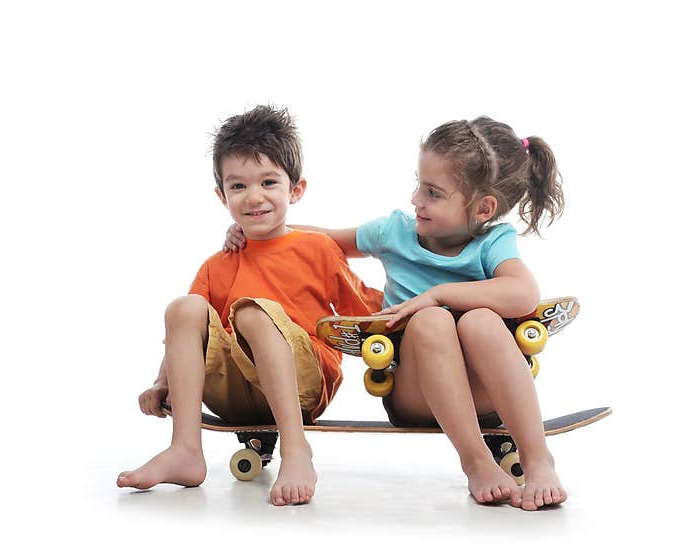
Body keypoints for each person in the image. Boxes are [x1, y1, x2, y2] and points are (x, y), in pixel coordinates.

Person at [225, 117, 566, 510]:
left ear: (483, 208)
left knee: (481, 320)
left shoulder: (494, 241)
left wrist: (438, 294)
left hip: (483, 394)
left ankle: (540, 461)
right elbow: (319, 240)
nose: (416, 199)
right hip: (414, 390)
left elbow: (524, 293)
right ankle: (477, 462)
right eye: (419, 184)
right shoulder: (395, 232)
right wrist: (256, 231)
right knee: (430, 321)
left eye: (433, 192)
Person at [118, 105, 383, 506]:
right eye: (238, 186)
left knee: (252, 311)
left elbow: (365, 311)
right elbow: (183, 338)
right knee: (183, 307)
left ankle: (296, 449)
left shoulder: (316, 248)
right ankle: (185, 451)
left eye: (268, 182)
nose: (254, 197)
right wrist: (162, 382)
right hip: (237, 393)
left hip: (303, 382)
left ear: (295, 189)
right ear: (221, 195)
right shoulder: (218, 264)